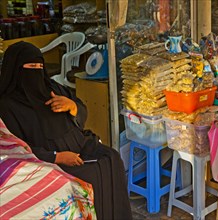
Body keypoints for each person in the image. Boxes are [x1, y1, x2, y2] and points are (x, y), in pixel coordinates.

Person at [0, 41, 133, 220]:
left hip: (82, 145)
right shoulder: (8, 106)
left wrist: (72, 107)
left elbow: (81, 110)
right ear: (16, 70)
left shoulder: (53, 88)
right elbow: (18, 150)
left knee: (112, 159)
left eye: (40, 66)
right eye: (31, 66)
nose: (37, 71)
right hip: (50, 160)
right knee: (89, 177)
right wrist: (57, 156)